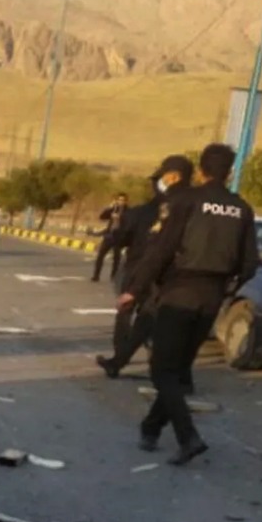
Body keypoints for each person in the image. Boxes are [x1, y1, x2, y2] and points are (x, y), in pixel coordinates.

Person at [119, 143, 257, 466]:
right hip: (212, 297)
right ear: (231, 172)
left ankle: (187, 436)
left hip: (179, 292)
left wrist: (135, 290)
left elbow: (162, 250)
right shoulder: (243, 209)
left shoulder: (187, 201)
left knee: (162, 369)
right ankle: (151, 428)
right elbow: (250, 264)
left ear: (201, 170)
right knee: (177, 369)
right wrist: (227, 287)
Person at [96, 155, 194, 381]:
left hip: (140, 270)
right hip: (171, 274)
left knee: (127, 312)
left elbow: (122, 239)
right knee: (150, 318)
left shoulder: (146, 211)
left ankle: (120, 357)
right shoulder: (193, 205)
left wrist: (119, 229)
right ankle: (130, 361)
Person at [91, 192, 129, 282]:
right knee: (100, 255)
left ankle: (113, 276)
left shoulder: (128, 211)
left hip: (119, 237)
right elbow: (102, 217)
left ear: (126, 201)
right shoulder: (113, 209)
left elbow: (129, 223)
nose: (121, 202)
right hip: (109, 235)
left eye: (123, 200)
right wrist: (110, 208)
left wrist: (120, 218)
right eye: (119, 200)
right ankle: (96, 275)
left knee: (116, 258)